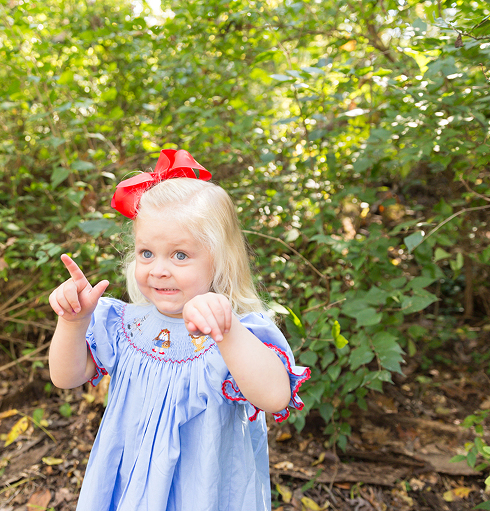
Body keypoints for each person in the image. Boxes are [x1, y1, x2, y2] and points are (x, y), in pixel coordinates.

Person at [48, 148, 310, 511]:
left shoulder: (238, 331)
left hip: (204, 491)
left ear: (220, 259)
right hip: (130, 485)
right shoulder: (127, 325)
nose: (158, 270)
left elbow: (275, 397)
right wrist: (73, 322)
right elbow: (66, 377)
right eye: (146, 253)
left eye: (180, 255)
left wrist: (227, 331)